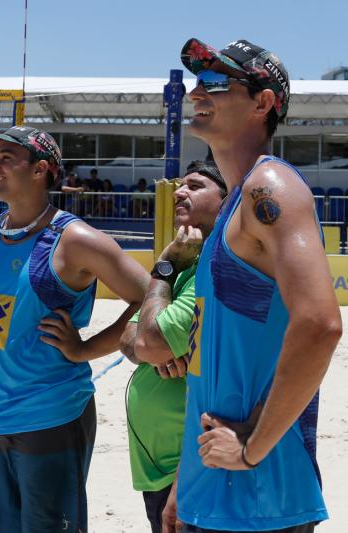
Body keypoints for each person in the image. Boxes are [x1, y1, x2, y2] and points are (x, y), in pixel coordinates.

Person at [161, 38, 343, 533]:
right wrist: (185, 480)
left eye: (217, 83)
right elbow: (212, 368)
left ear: (263, 103)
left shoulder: (272, 188)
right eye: (199, 82)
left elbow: (321, 325)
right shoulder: (234, 209)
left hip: (260, 501)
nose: (198, 92)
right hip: (212, 492)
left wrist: (251, 448)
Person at [0, 126, 148, 533]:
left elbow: (150, 299)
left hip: (51, 415)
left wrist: (86, 349)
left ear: (41, 169)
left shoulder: (74, 239)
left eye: (8, 157)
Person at [119, 160, 226, 533]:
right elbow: (128, 342)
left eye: (195, 186)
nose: (179, 192)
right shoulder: (188, 262)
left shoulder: (213, 266)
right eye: (181, 185)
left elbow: (147, 343)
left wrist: (163, 267)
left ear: (226, 201)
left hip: (190, 463)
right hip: (165, 464)